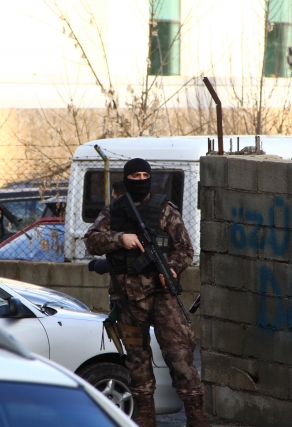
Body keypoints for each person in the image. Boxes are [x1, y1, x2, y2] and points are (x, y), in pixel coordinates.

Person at [84, 159, 209, 427]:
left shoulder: (165, 210)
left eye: (145, 175)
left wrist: (172, 268)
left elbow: (185, 249)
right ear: (126, 178)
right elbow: (91, 241)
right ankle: (145, 417)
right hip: (127, 298)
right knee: (137, 361)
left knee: (180, 355)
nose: (141, 180)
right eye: (135, 176)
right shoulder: (113, 212)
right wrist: (121, 239)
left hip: (162, 295)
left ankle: (196, 416)